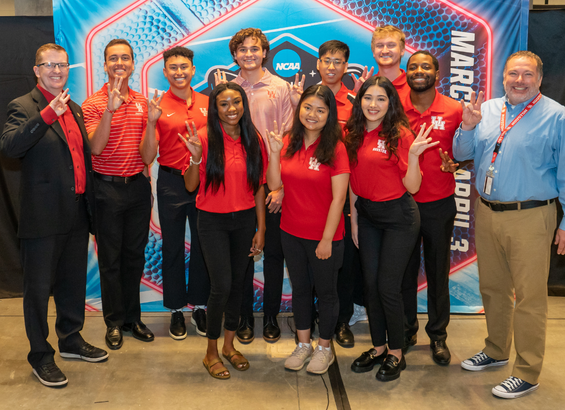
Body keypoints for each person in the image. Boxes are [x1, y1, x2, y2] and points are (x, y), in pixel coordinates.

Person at [454, 50, 565, 399]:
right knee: (493, 288)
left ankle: (528, 371)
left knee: (530, 298)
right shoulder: (486, 110)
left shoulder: (557, 117)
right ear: (503, 76)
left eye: (527, 74)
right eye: (513, 74)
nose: (519, 80)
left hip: (532, 215)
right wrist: (467, 127)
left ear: (539, 78)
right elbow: (460, 154)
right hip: (487, 211)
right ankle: (496, 350)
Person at [0, 43, 108, 387]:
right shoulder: (24, 106)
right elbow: (11, 147)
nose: (56, 71)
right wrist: (47, 114)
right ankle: (40, 355)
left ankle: (71, 340)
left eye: (61, 65)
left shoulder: (74, 107)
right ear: (36, 70)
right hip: (43, 217)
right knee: (38, 289)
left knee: (72, 283)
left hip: (76, 212)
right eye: (48, 65)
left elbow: (82, 156)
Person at [344, 76, 436, 381]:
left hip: (399, 217)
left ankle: (397, 352)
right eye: (368, 98)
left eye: (381, 99)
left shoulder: (400, 134)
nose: (373, 105)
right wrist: (355, 220)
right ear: (360, 102)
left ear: (390, 103)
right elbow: (353, 183)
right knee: (370, 285)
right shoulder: (352, 133)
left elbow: (413, 186)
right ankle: (379, 346)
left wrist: (412, 156)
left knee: (387, 286)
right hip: (367, 216)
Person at [216, 27, 301, 343]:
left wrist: (279, 186)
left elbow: (291, 140)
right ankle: (242, 319)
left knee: (275, 254)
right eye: (242, 50)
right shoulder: (229, 90)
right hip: (240, 184)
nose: (248, 54)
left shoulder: (280, 88)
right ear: (235, 55)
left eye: (254, 49)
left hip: (272, 182)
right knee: (244, 255)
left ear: (265, 53)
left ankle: (270, 318)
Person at [180, 82, 267, 379]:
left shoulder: (253, 139)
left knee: (239, 284)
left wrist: (261, 229)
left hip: (243, 222)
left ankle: (229, 346)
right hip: (212, 222)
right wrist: (194, 157)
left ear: (244, 105)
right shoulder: (203, 139)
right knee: (221, 286)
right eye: (224, 104)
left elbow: (259, 187)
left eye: (236, 102)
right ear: (215, 109)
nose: (232, 109)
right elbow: (191, 186)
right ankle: (211, 352)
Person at [266, 84, 350, 374]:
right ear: (299, 108)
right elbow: (275, 185)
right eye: (307, 107)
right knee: (300, 290)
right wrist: (274, 153)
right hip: (291, 232)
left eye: (320, 110)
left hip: (324, 237)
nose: (312, 114)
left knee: (326, 294)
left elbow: (339, 198)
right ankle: (303, 344)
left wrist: (327, 239)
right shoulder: (288, 140)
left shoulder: (336, 148)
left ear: (329, 114)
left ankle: (324, 348)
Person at [82, 39, 154, 350]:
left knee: (134, 257)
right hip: (105, 189)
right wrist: (110, 111)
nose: (119, 63)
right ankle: (113, 322)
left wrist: (152, 123)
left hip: (137, 187)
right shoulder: (93, 104)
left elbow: (148, 156)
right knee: (110, 260)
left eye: (125, 57)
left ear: (133, 63)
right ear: (105, 64)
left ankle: (131, 318)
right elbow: (95, 148)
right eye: (114, 58)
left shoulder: (142, 101)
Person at [140, 46, 210, 339]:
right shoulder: (157, 105)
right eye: (173, 67)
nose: (179, 72)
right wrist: (152, 121)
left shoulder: (209, 102)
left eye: (184, 66)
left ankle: (200, 306)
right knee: (172, 246)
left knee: (204, 244)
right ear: (165, 72)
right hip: (170, 183)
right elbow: (147, 157)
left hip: (205, 181)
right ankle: (176, 310)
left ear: (193, 70)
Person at [401, 51, 463, 364]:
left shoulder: (454, 109)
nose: (419, 71)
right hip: (402, 206)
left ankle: (438, 336)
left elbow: (470, 148)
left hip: (439, 204)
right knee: (404, 274)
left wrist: (459, 163)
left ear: (437, 74)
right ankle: (407, 330)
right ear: (406, 72)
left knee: (438, 274)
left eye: (426, 66)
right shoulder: (395, 107)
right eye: (413, 66)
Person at [317, 40, 360, 347]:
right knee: (311, 258)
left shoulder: (355, 103)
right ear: (318, 64)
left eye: (337, 62)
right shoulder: (306, 99)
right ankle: (313, 316)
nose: (331, 66)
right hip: (309, 193)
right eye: (326, 60)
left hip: (344, 194)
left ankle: (342, 320)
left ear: (346, 67)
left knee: (344, 261)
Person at [351, 25, 410, 102]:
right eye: (380, 46)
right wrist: (358, 94)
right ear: (373, 52)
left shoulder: (414, 86)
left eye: (391, 45)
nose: (385, 51)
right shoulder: (366, 86)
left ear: (402, 51)